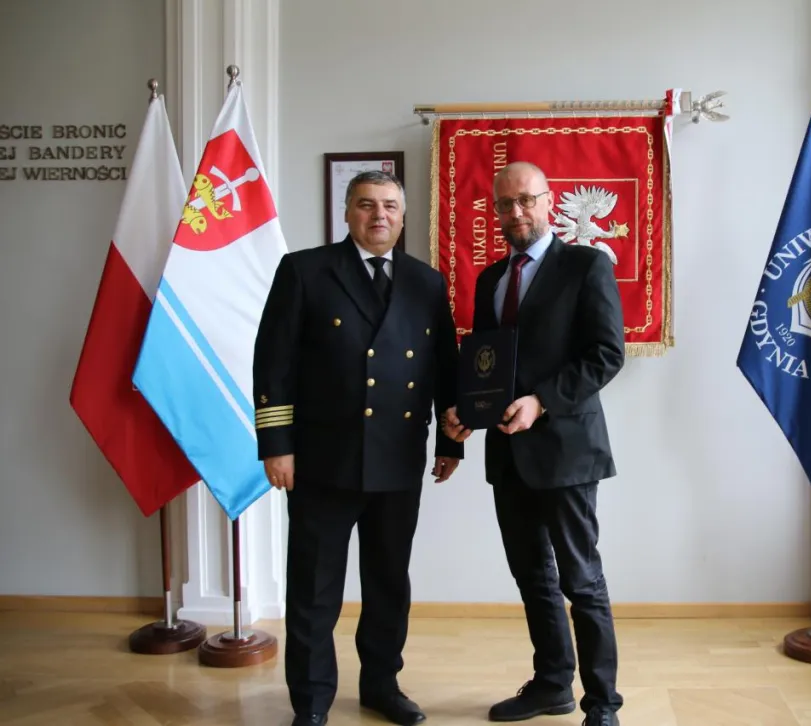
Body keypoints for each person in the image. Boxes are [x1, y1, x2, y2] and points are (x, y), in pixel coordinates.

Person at [253, 170, 463, 726]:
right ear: (347, 212)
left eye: (390, 206)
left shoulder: (426, 282)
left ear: (403, 215)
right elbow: (273, 364)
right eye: (367, 205)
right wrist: (276, 445)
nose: (379, 215)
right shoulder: (305, 270)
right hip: (322, 460)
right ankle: (311, 702)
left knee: (389, 584)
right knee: (314, 590)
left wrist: (450, 442)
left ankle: (381, 686)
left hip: (398, 459)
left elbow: (445, 369)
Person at [443, 161, 626, 726]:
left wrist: (541, 401)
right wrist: (468, 412)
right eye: (505, 204)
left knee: (581, 580)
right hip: (508, 455)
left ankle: (603, 704)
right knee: (533, 578)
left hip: (568, 452)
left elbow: (606, 355)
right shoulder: (490, 279)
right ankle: (552, 684)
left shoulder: (587, 265)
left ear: (549, 201)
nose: (516, 212)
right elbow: (488, 362)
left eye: (526, 200)